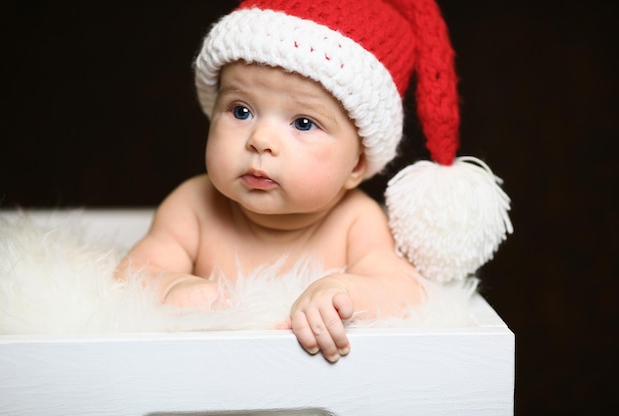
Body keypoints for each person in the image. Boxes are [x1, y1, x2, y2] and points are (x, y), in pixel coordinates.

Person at [117, 0, 512, 363]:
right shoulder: (193, 206)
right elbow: (133, 273)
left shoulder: (356, 221)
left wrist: (345, 292)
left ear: (356, 165)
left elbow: (405, 290)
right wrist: (171, 288)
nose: (260, 140)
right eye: (240, 111)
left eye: (303, 123)